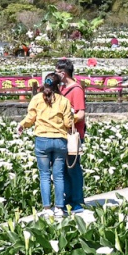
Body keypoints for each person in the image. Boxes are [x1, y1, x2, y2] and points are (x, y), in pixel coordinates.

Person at [18, 73, 76, 218]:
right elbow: (68, 124)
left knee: (44, 175)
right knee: (58, 176)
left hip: (42, 140)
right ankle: (59, 208)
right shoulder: (64, 100)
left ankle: (46, 208)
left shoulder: (37, 99)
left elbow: (30, 118)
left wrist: (22, 125)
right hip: (59, 141)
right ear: (58, 85)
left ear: (44, 83)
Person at [56, 59, 88, 214]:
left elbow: (81, 114)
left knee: (73, 167)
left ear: (63, 73)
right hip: (63, 133)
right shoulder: (62, 89)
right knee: (63, 168)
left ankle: (77, 201)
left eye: (57, 72)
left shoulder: (76, 90)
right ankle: (68, 199)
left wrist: (68, 118)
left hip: (72, 135)